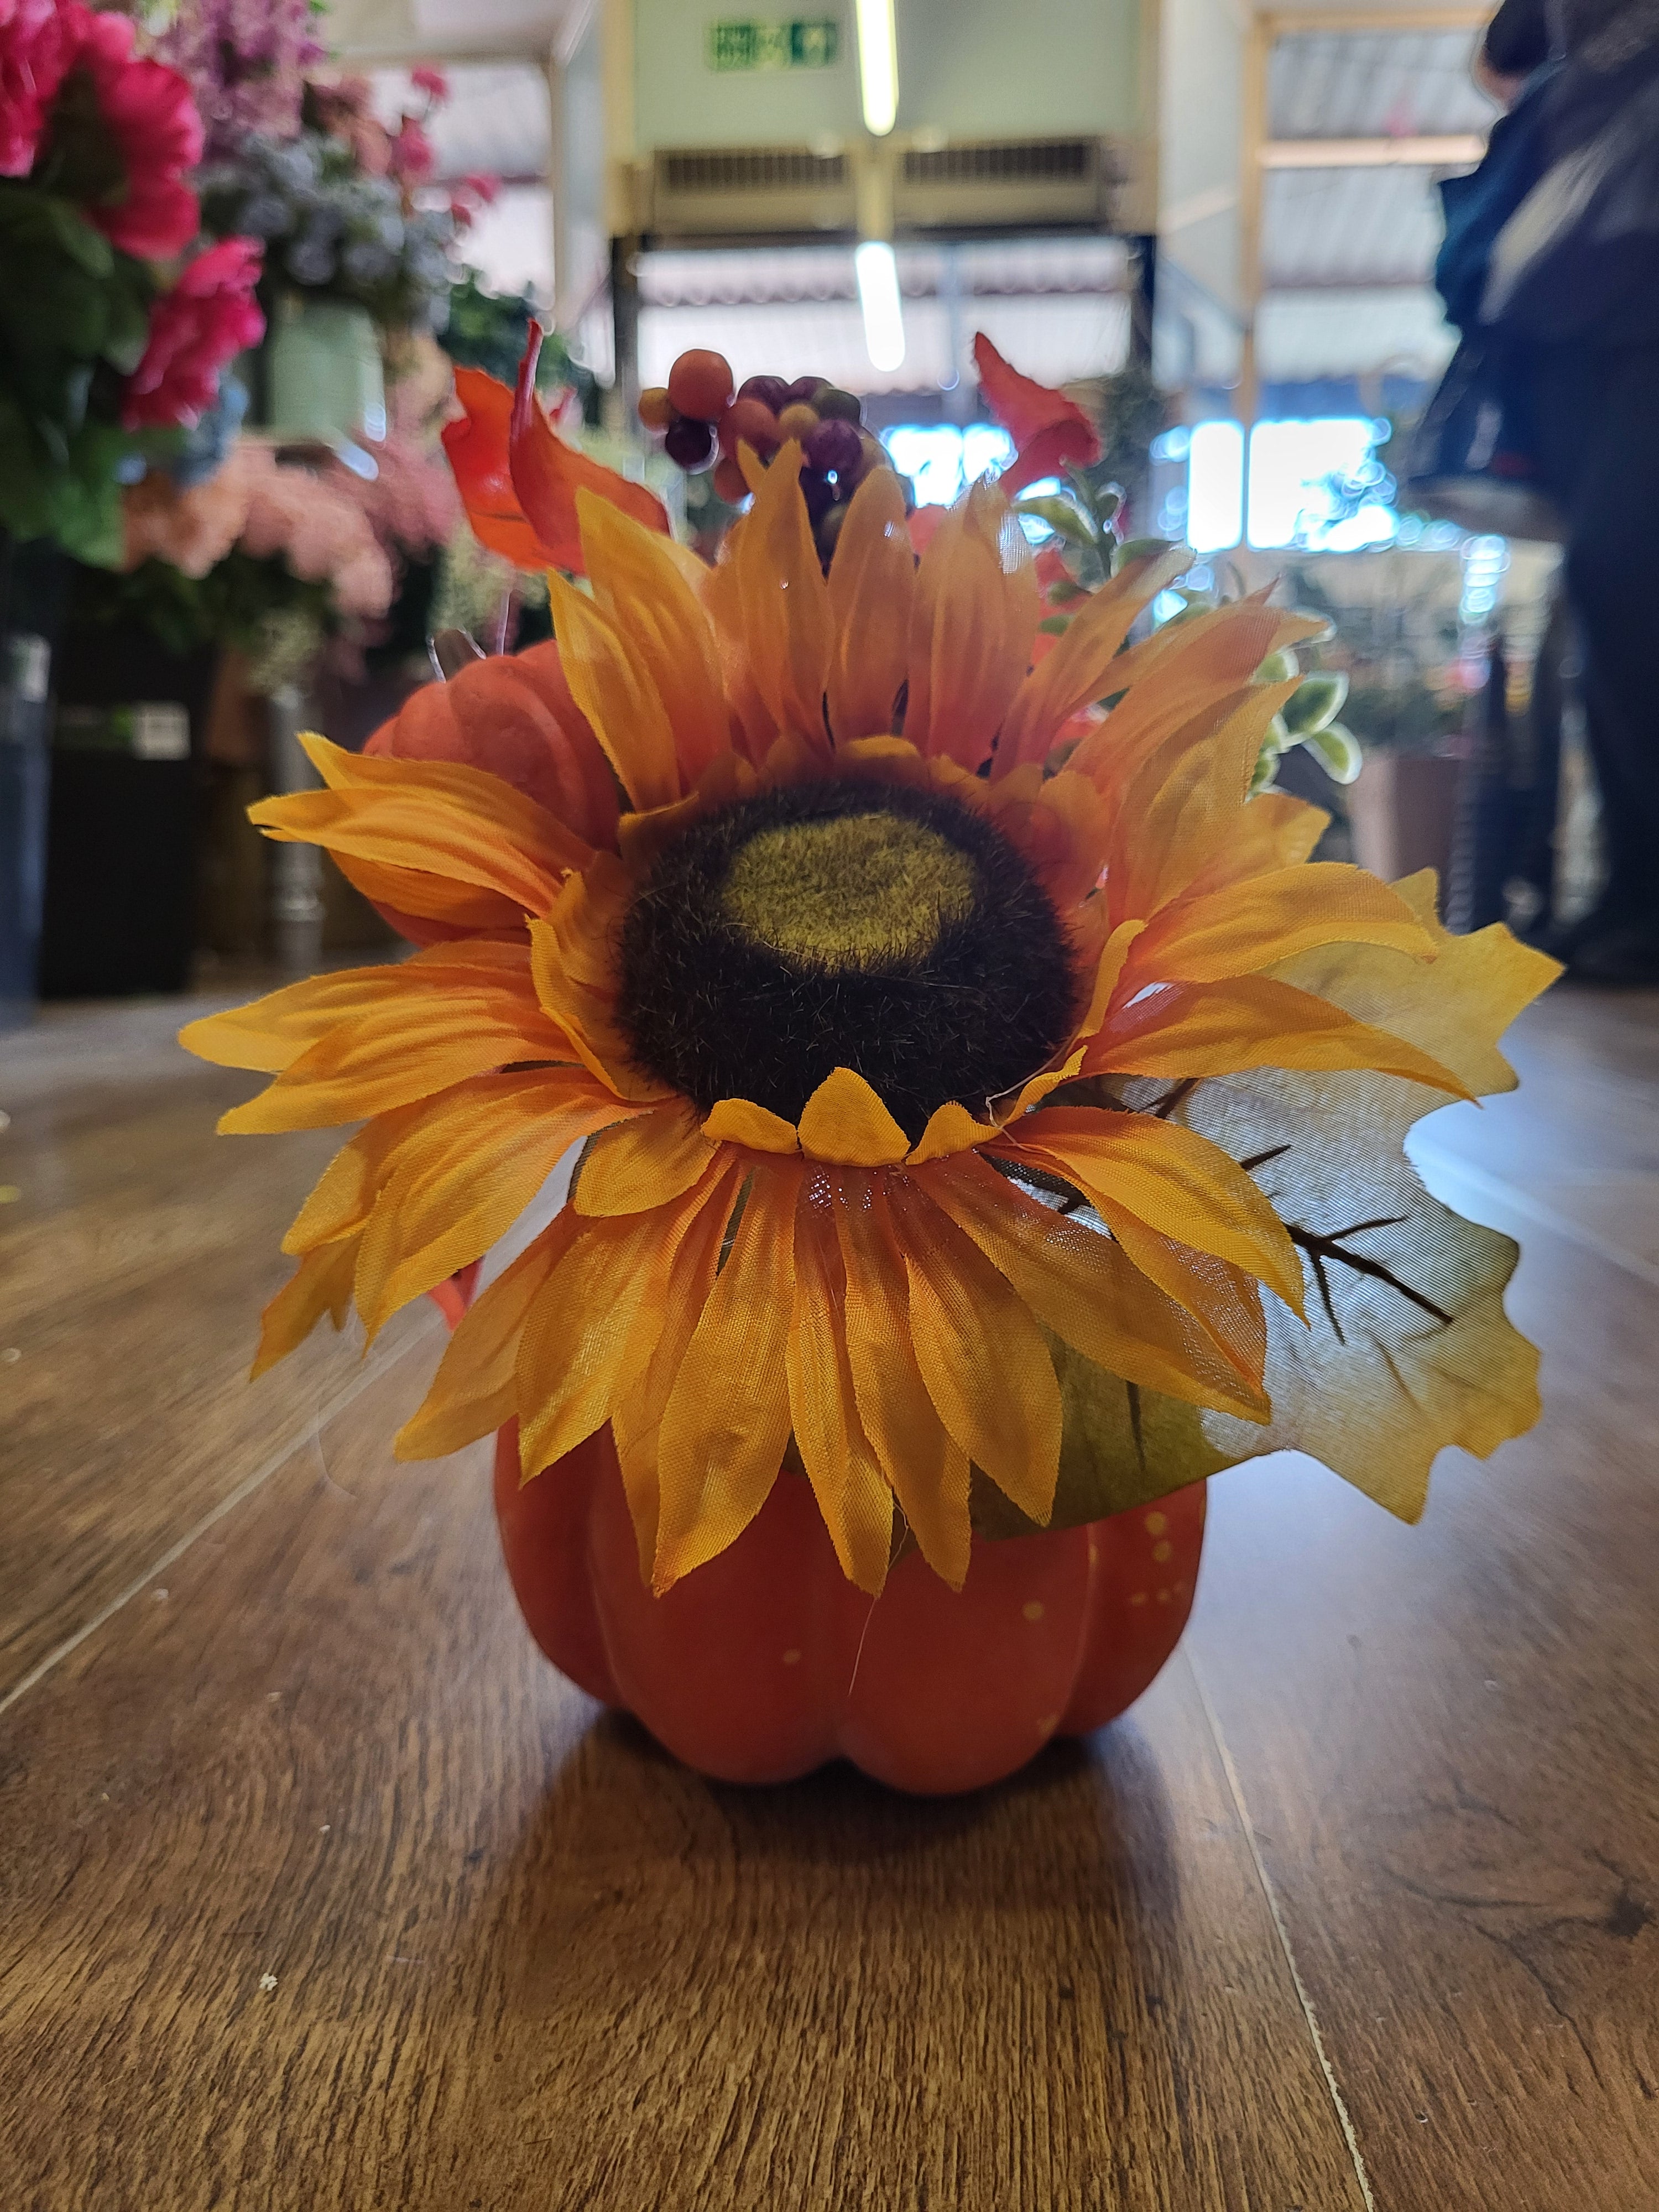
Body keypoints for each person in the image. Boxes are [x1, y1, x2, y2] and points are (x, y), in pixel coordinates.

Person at [1477, 0, 1659, 982]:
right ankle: (1634, 894)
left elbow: (1503, 61)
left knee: (1620, 587)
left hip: (1610, 303)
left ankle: (1636, 896)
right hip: (1599, 319)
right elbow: (1505, 56)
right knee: (1615, 598)